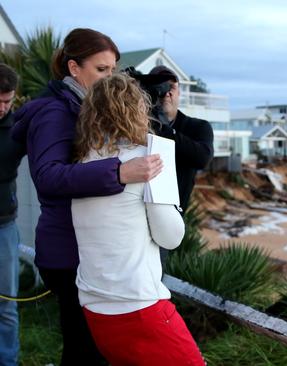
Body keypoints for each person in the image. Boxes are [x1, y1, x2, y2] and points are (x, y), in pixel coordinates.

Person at [11, 28, 162, 365]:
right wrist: (119, 172)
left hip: (81, 249)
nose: (110, 78)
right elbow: (48, 177)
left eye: (114, 70)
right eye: (101, 70)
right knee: (87, 351)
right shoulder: (56, 112)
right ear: (74, 68)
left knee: (89, 349)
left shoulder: (82, 107)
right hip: (68, 252)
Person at [72, 73, 204, 365]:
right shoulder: (148, 159)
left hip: (95, 309)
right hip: (138, 306)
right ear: (137, 109)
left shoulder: (82, 163)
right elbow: (171, 237)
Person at [148, 65, 214, 212]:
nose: (166, 93)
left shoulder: (198, 127)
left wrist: (162, 128)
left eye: (171, 87)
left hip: (175, 216)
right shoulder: (135, 125)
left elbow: (203, 158)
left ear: (179, 93)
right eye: (160, 87)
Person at [0, 63, 24, 366]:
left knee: (6, 304)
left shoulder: (19, 126)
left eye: (8, 101)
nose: (3, 107)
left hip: (4, 225)